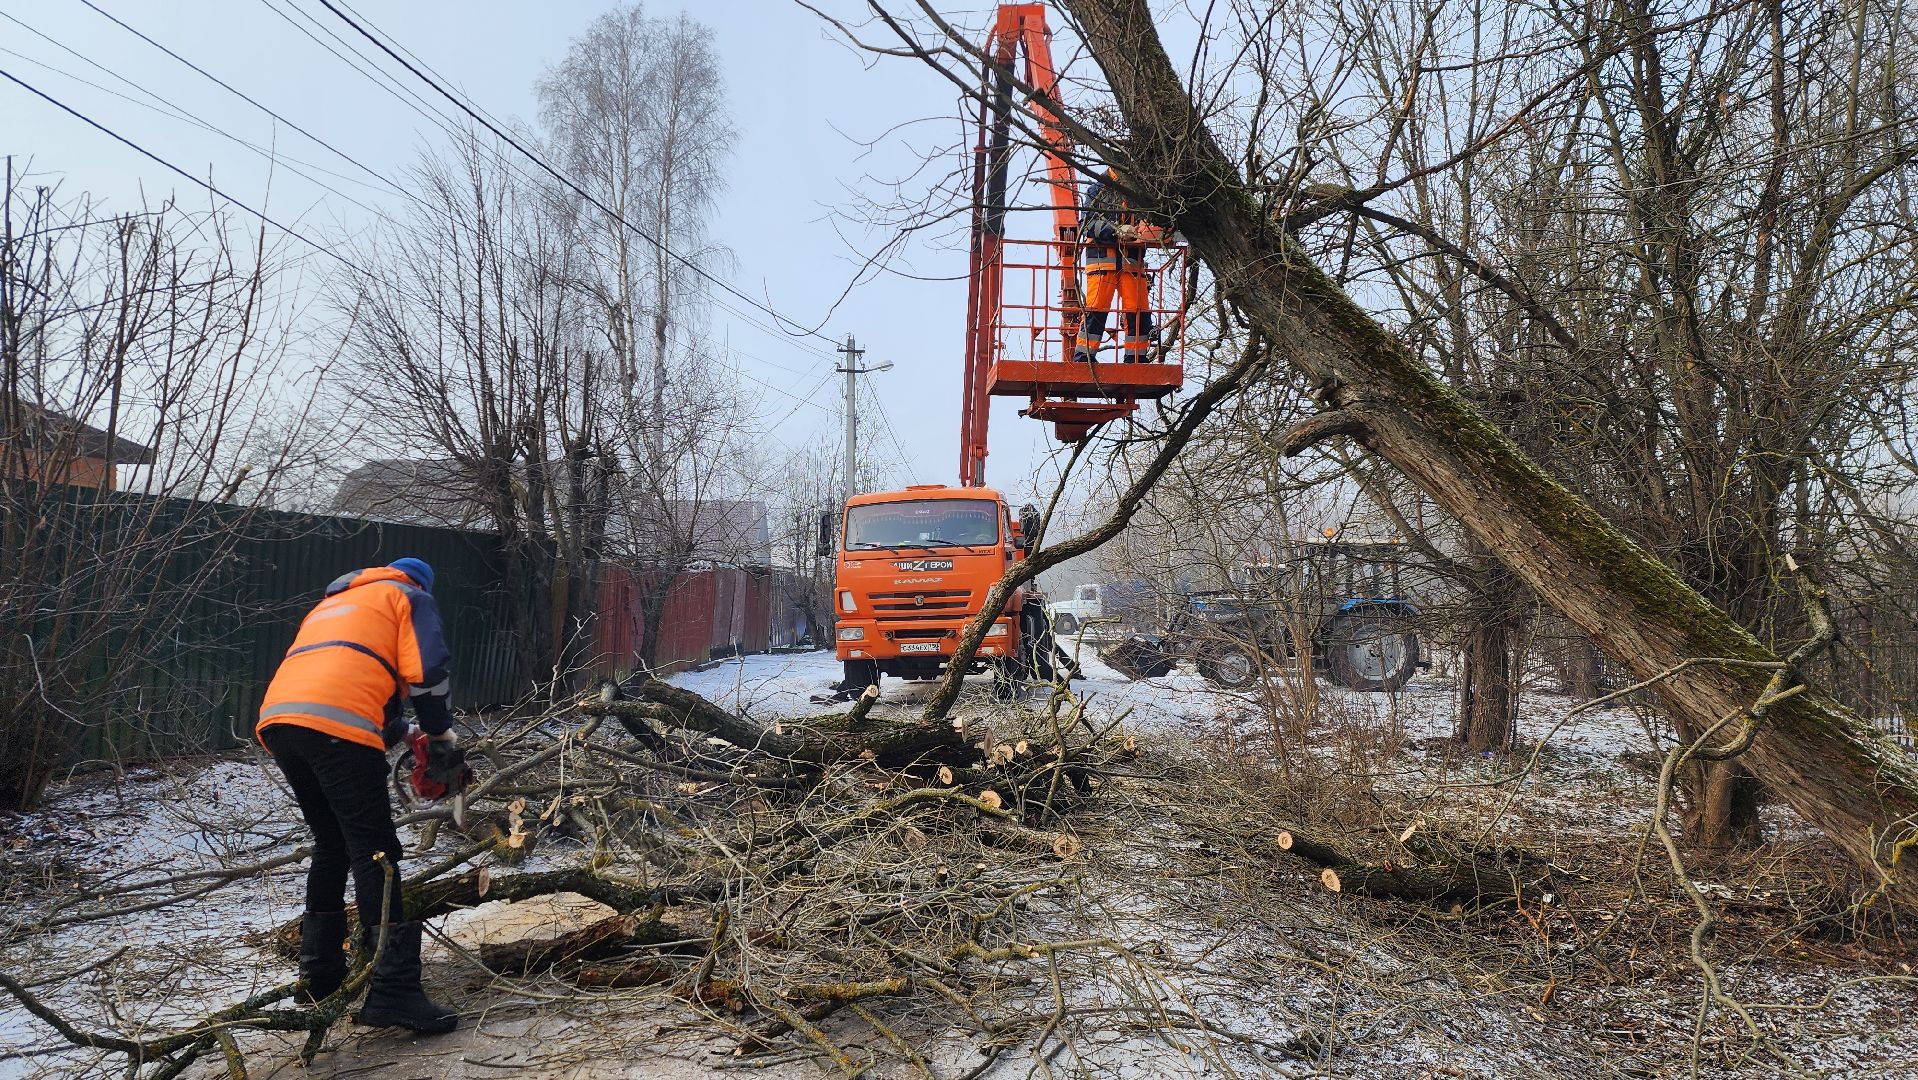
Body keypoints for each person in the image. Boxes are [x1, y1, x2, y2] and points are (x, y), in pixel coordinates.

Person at [256, 557, 462, 1033]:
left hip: (283, 723)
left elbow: (355, 680)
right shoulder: (410, 596)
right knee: (377, 853)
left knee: (332, 842)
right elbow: (429, 673)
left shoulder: (336, 603)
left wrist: (408, 734)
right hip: (336, 725)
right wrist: (443, 745)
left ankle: (319, 976)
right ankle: (394, 990)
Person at [1074, 168, 1161, 363]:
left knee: (1138, 311)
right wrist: (1116, 230)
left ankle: (1136, 358)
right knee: (1096, 309)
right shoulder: (1097, 191)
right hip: (1102, 261)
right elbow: (1085, 226)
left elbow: (1151, 224)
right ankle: (1084, 357)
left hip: (1132, 263)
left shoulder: (1138, 191)